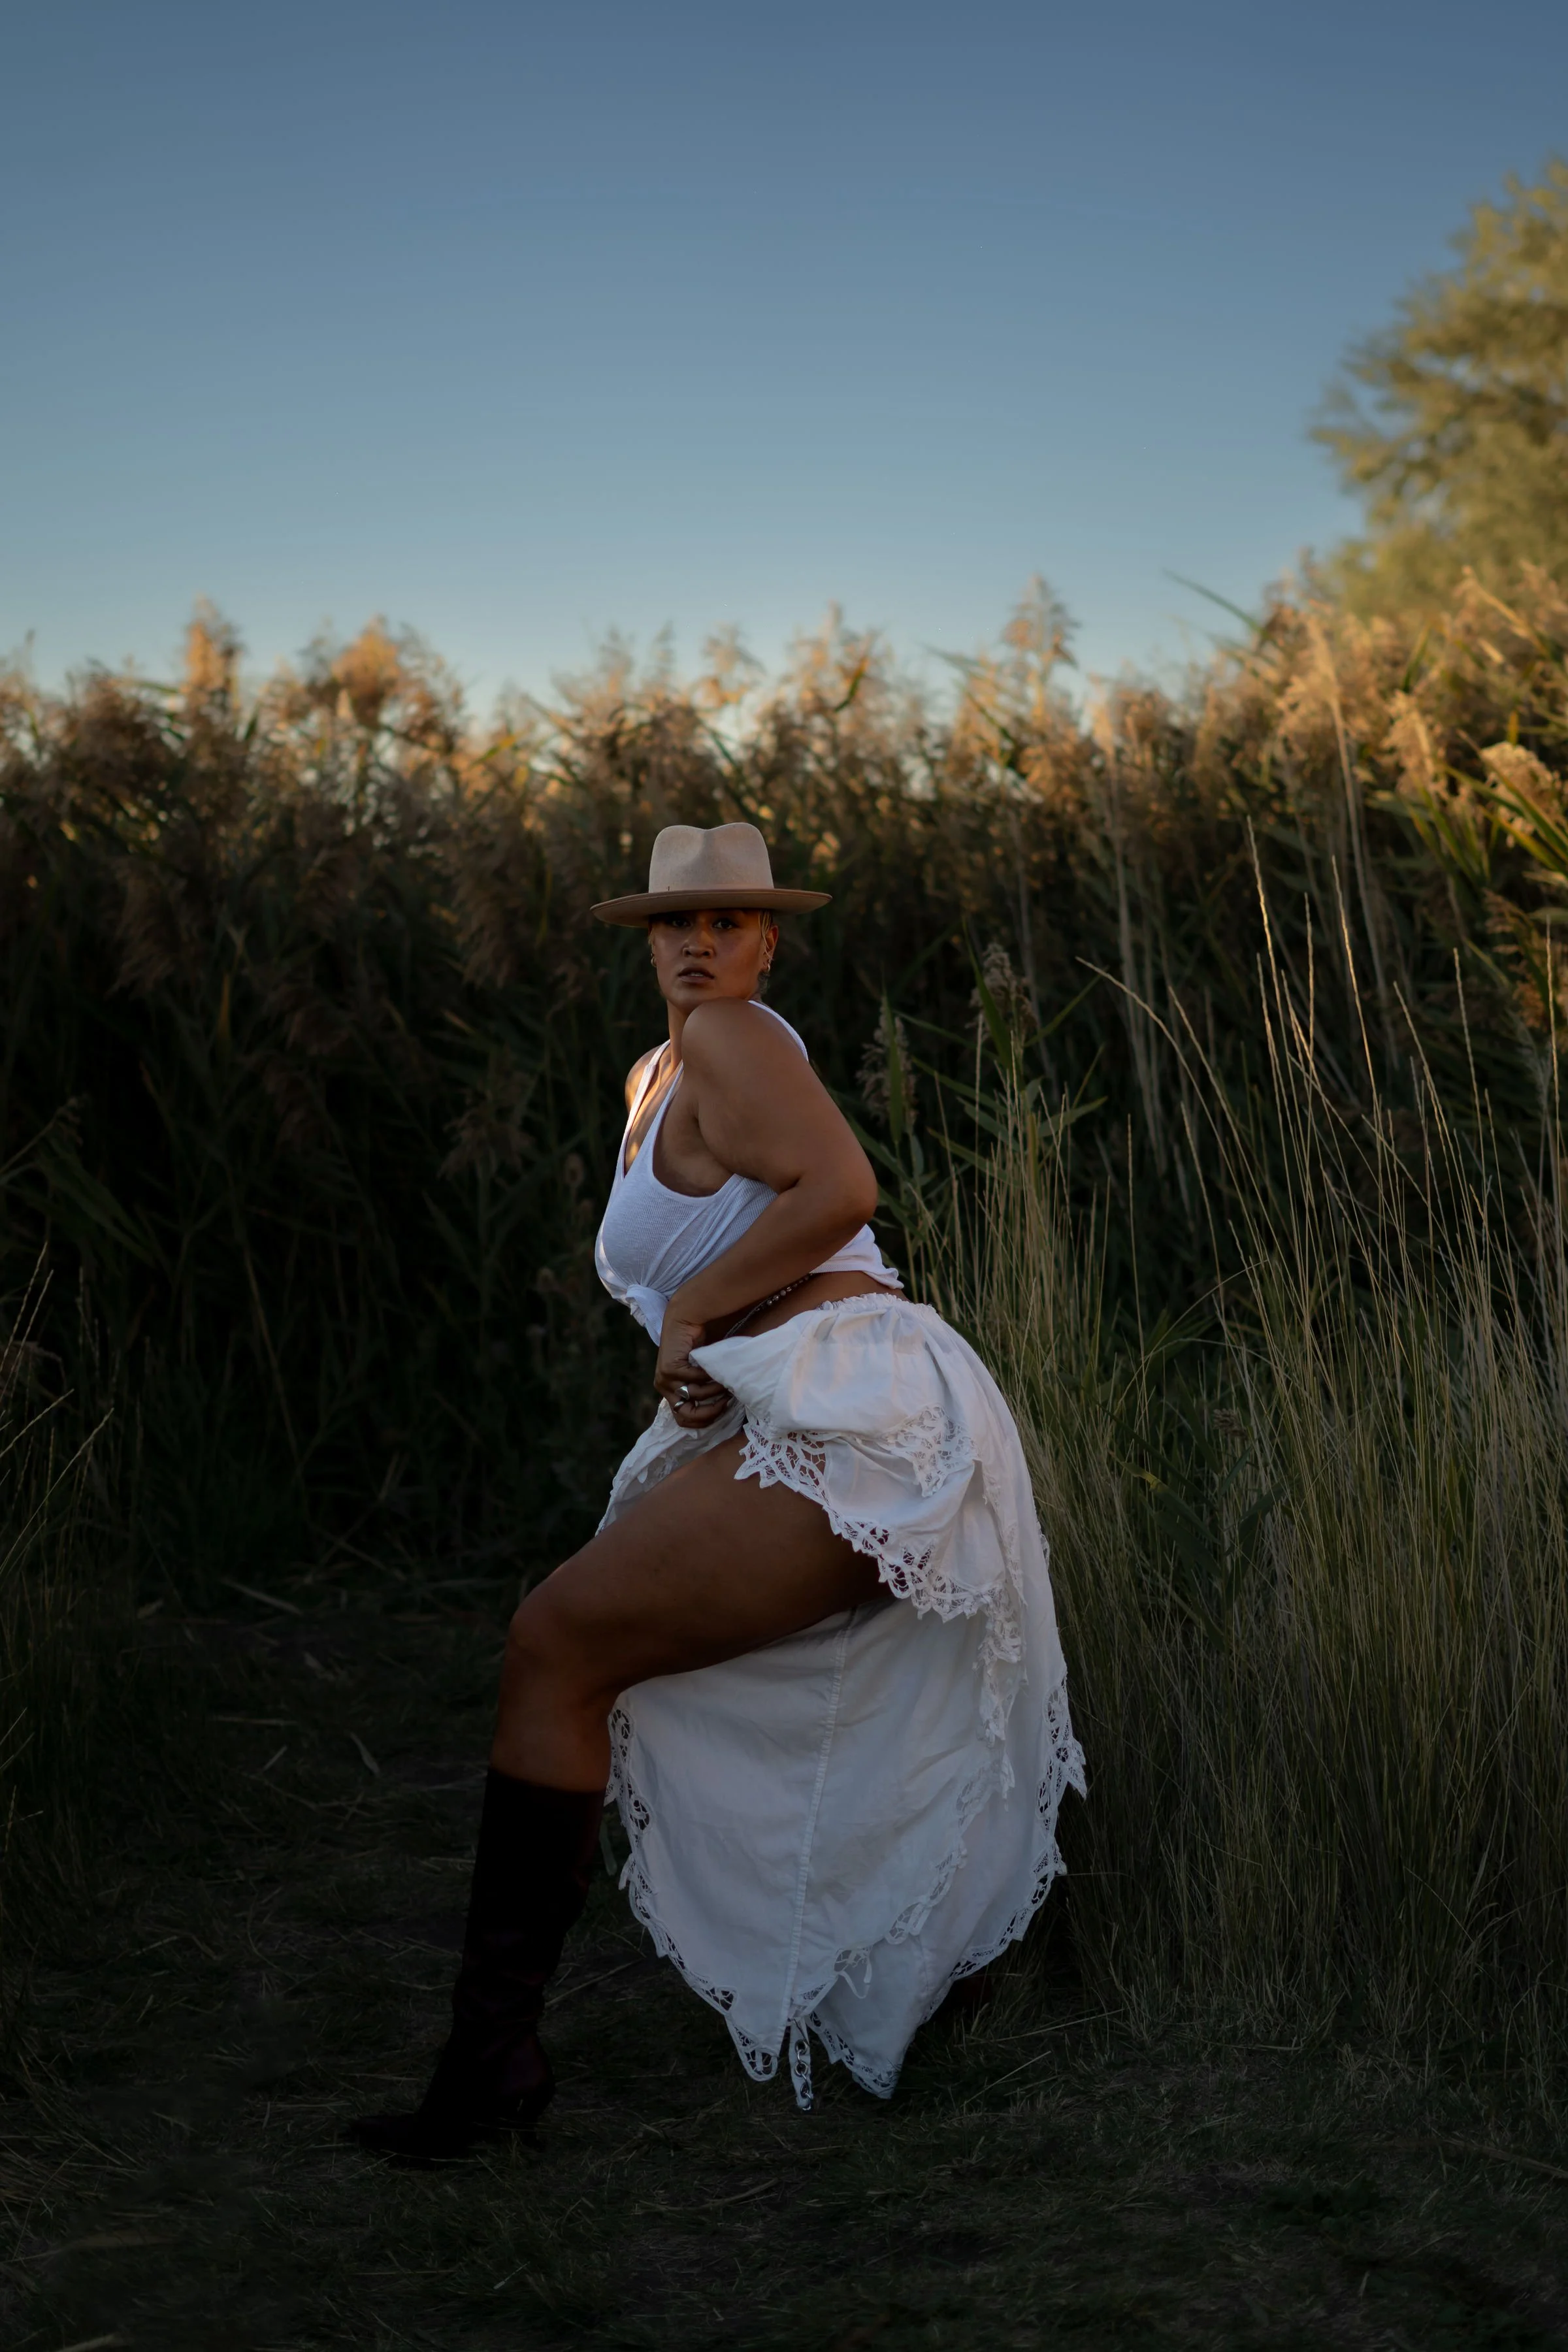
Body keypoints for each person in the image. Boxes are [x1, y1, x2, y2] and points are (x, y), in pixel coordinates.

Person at [353, 822, 1084, 2161]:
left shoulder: (738, 1036)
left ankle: (489, 2066)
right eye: (674, 925)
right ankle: (933, 1986)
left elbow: (845, 1188)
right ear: (646, 941)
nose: (699, 944)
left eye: (729, 922)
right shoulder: (658, 1071)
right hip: (810, 1396)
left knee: (557, 1646)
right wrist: (712, 1329)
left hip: (856, 1399)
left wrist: (696, 1304)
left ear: (768, 941)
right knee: (664, 1668)